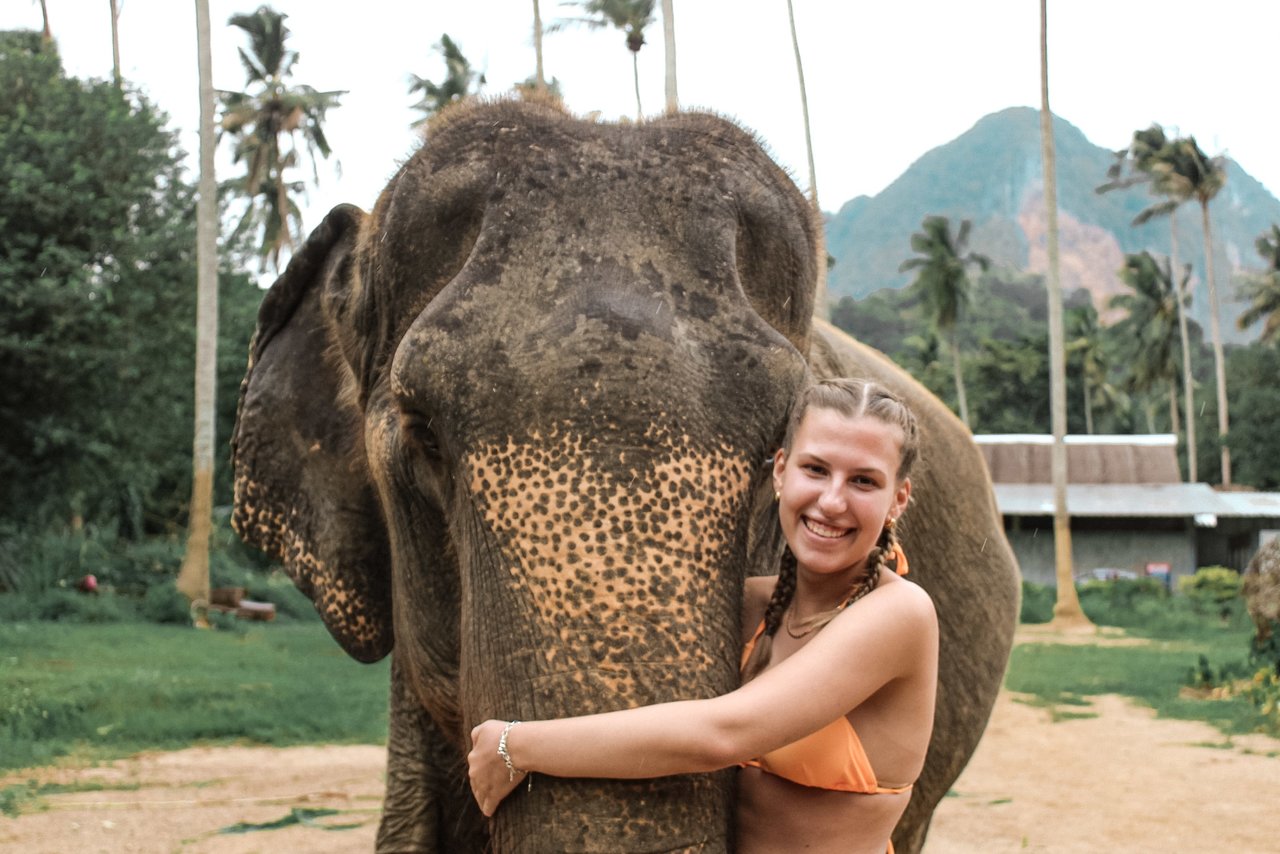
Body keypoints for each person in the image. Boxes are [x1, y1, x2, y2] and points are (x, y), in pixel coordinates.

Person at [468, 378, 938, 854]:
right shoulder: (752, 605)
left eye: (863, 481)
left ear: (897, 499)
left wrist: (516, 747)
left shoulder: (901, 614)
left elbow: (724, 735)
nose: (832, 501)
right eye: (815, 469)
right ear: (780, 472)